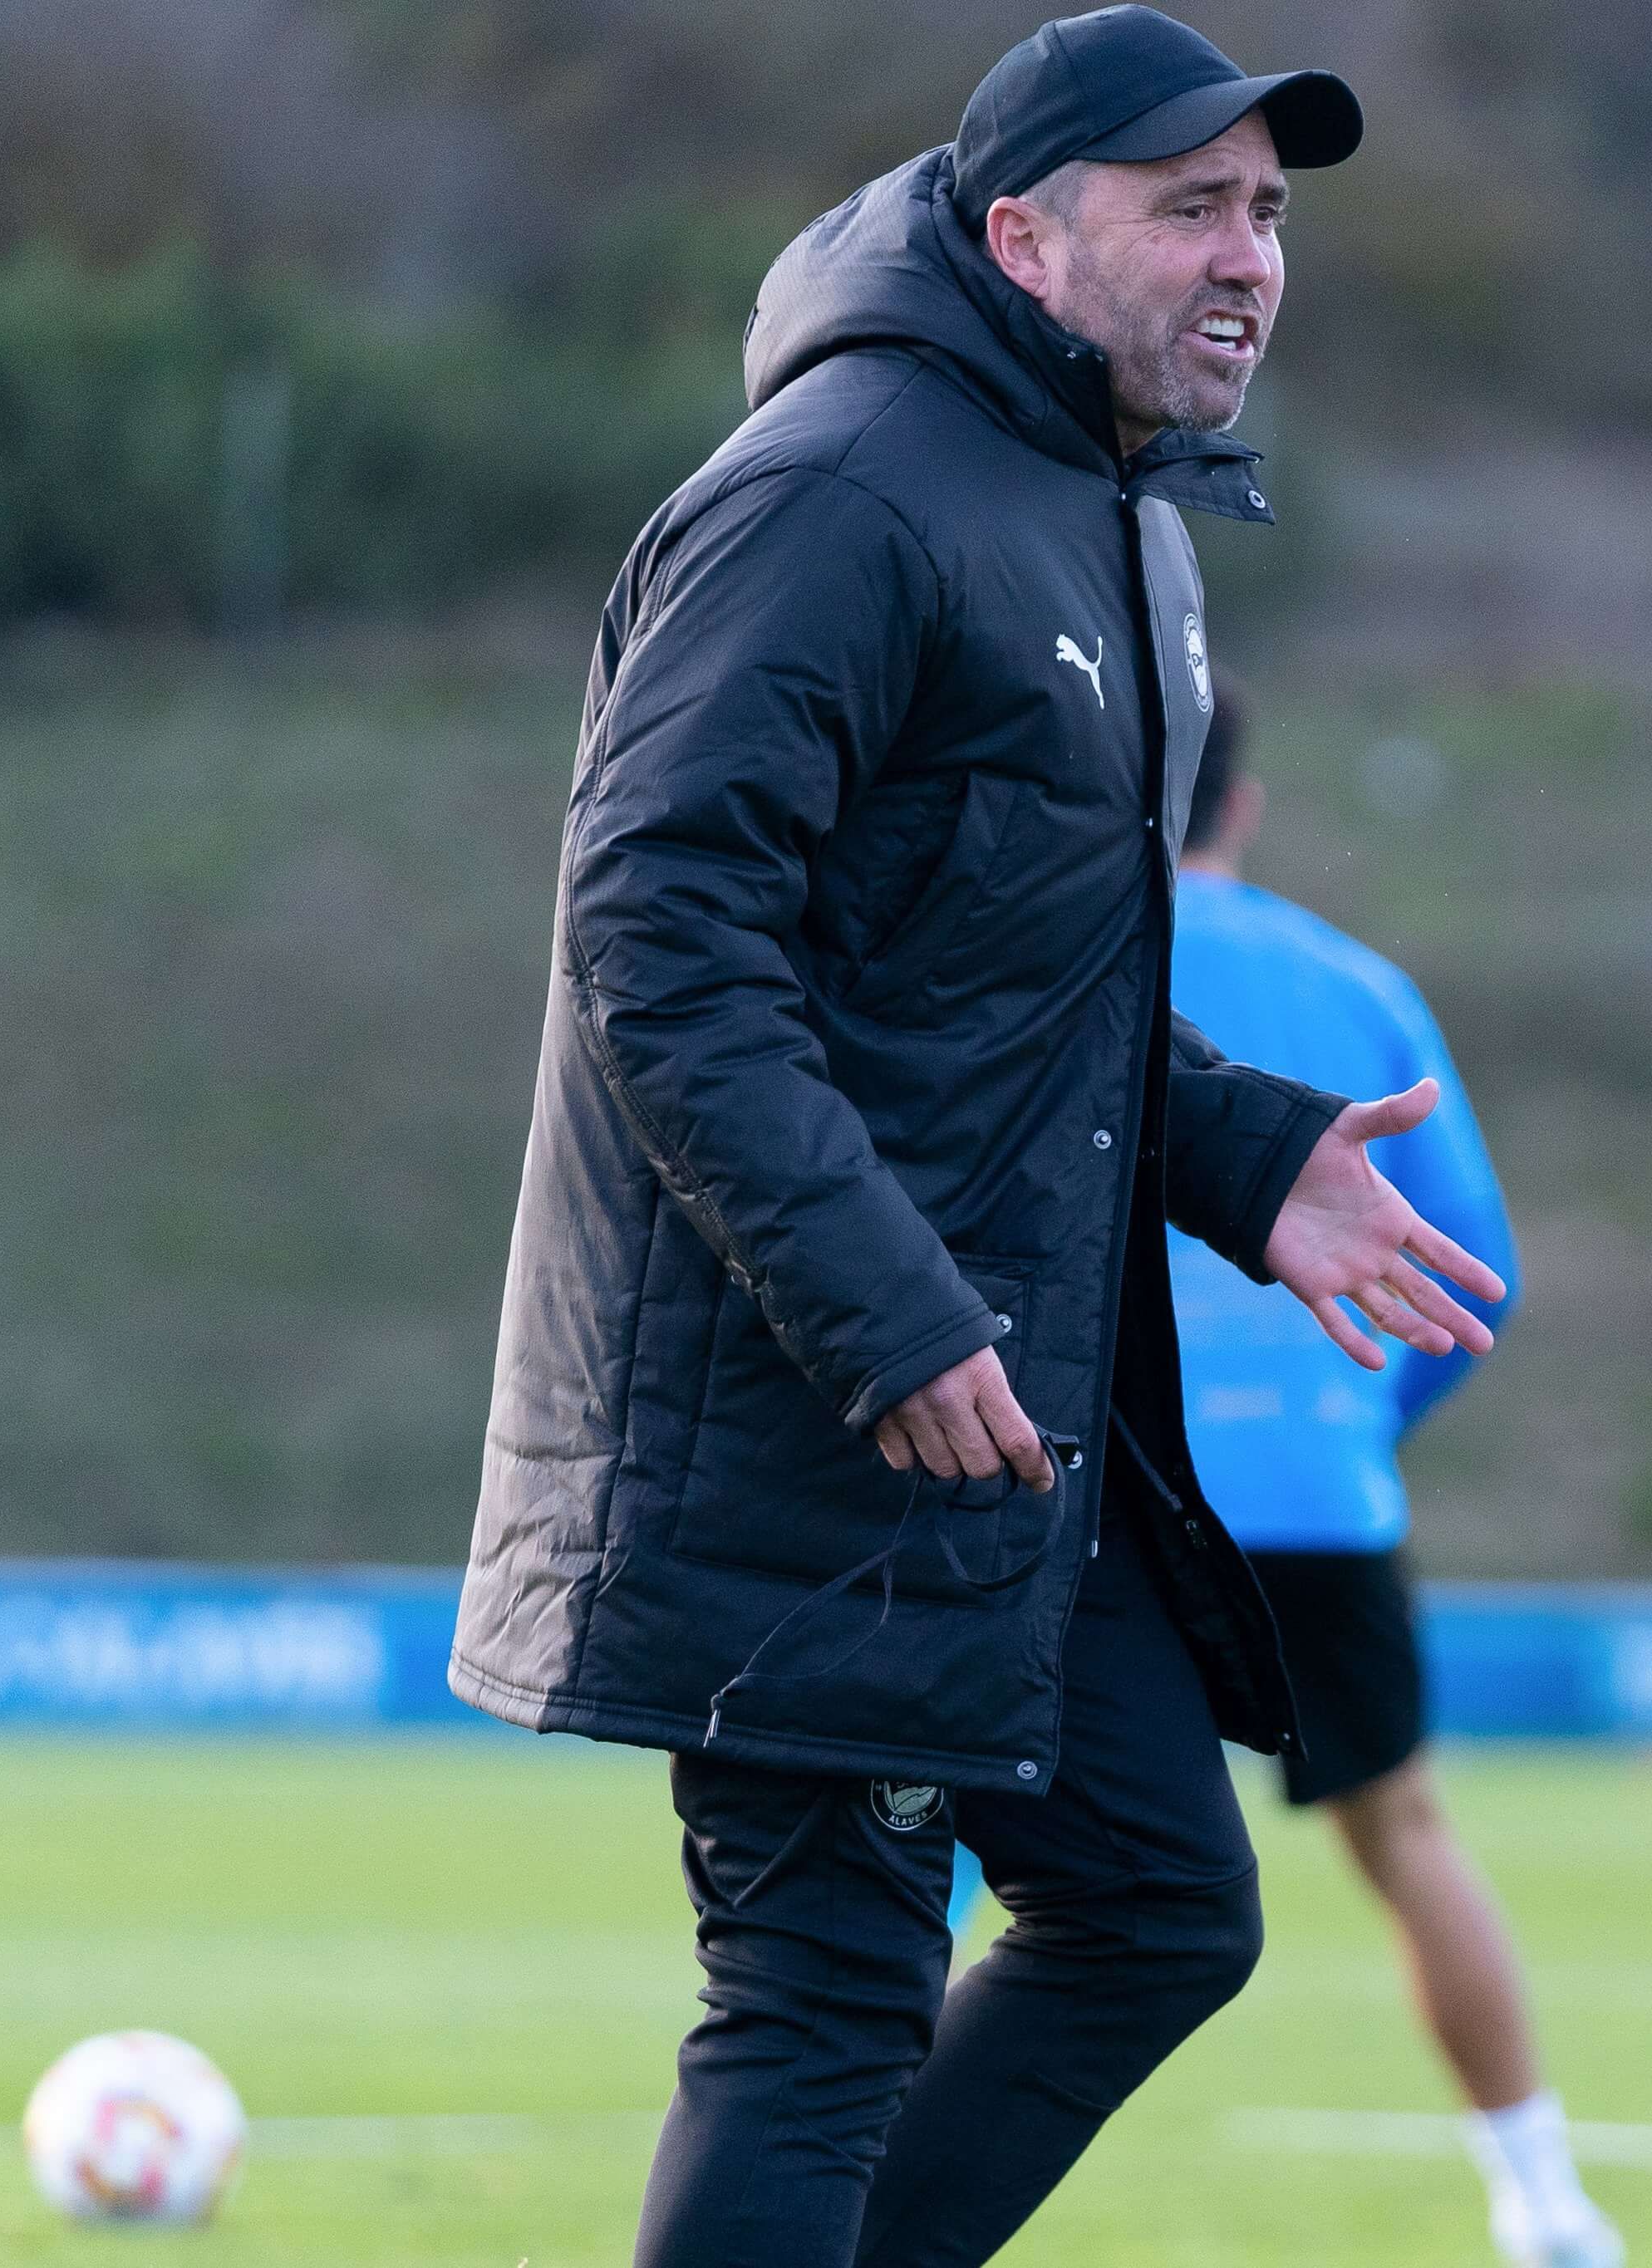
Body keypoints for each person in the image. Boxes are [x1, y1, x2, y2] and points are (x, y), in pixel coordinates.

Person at [445, 12, 1511, 2266]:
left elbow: (1017, 996)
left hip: (999, 1414)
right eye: (1188, 209)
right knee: (822, 1997)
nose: (1248, 261)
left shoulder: (1114, 517)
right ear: (1024, 237)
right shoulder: (840, 489)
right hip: (820, 1400)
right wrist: (891, 1307)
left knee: (1157, 1902)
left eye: (1269, 215)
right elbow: (659, 936)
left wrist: (1247, 1159)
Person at [1175, 691, 1623, 2268]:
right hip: (1309, 1488)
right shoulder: (1355, 986)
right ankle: (1544, 2200)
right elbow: (1471, 1271)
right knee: (1402, 1830)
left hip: (1091, 1487)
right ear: (1246, 802)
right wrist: (1356, 1422)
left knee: (949, 1823)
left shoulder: (1041, 961)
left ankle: (856, 2187)